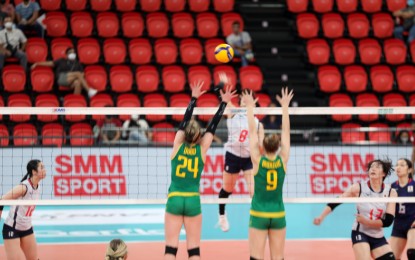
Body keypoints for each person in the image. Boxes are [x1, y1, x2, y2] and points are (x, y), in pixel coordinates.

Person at [164, 80, 236, 260]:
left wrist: (193, 99)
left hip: (174, 198)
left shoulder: (177, 146)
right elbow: (212, 126)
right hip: (193, 200)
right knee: (194, 250)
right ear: (198, 136)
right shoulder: (202, 149)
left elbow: (185, 121)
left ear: (184, 134)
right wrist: (224, 103)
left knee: (170, 249)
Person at [242, 88, 293, 260]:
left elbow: (251, 132)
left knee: (256, 257)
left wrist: (250, 108)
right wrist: (284, 107)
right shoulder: (282, 161)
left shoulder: (257, 161)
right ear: (279, 147)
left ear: (263, 145)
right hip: (278, 214)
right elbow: (286, 132)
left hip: (259, 214)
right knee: (278, 258)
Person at [314, 158, 398, 260]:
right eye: (371, 167)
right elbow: (336, 201)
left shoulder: (391, 192)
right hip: (360, 232)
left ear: (384, 173)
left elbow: (388, 221)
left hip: (378, 235)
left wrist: (366, 222)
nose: (373, 169)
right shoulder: (358, 188)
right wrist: (321, 217)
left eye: (377, 167)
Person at [217, 89, 264, 232]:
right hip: (233, 156)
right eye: (243, 98)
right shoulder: (233, 112)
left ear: (254, 102)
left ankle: (257, 219)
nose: (245, 99)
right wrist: (223, 84)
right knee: (227, 189)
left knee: (253, 191)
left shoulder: (258, 124)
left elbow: (261, 148)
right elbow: (224, 97)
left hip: (249, 159)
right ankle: (222, 215)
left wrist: (260, 147)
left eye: (248, 98)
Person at [0, 159, 46, 260]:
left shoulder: (37, 186)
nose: (45, 170)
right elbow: (1, 201)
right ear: (34, 172)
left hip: (27, 228)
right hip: (12, 229)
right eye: (41, 167)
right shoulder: (24, 187)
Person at [31, 47, 98, 97]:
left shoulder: (77, 63)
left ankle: (75, 103)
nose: (73, 54)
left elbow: (82, 74)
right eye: (70, 52)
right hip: (62, 78)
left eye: (73, 52)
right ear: (66, 54)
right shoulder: (61, 60)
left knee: (78, 83)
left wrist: (77, 77)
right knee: (77, 74)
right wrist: (37, 63)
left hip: (71, 81)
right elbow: (49, 63)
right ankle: (89, 90)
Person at [390, 158, 415, 260]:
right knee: (391, 257)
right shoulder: (392, 187)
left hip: (412, 224)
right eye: (397, 165)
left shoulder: (414, 185)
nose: (398, 167)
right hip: (398, 225)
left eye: (402, 165)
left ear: (409, 170)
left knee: (411, 253)